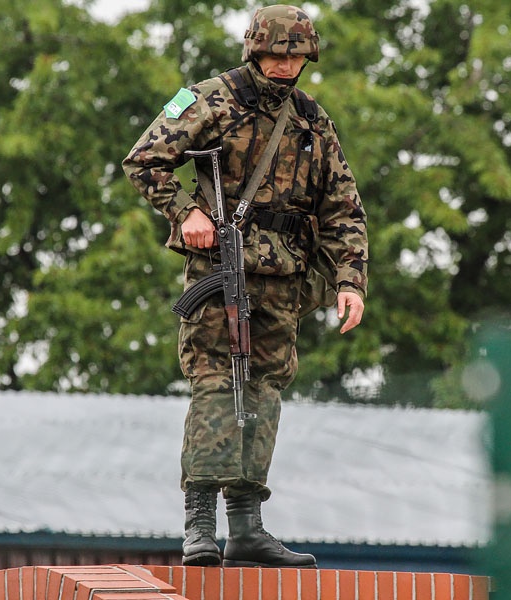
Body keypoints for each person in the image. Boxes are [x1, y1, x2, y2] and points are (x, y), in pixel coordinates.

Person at [122, 4, 368, 568]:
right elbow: (144, 162)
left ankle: (248, 527)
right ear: (254, 50)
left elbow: (343, 208)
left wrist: (349, 280)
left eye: (296, 56)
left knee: (263, 392)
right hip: (219, 270)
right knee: (215, 383)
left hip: (284, 278)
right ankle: (200, 526)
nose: (285, 65)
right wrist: (186, 212)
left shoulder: (312, 119)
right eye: (276, 54)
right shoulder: (210, 98)